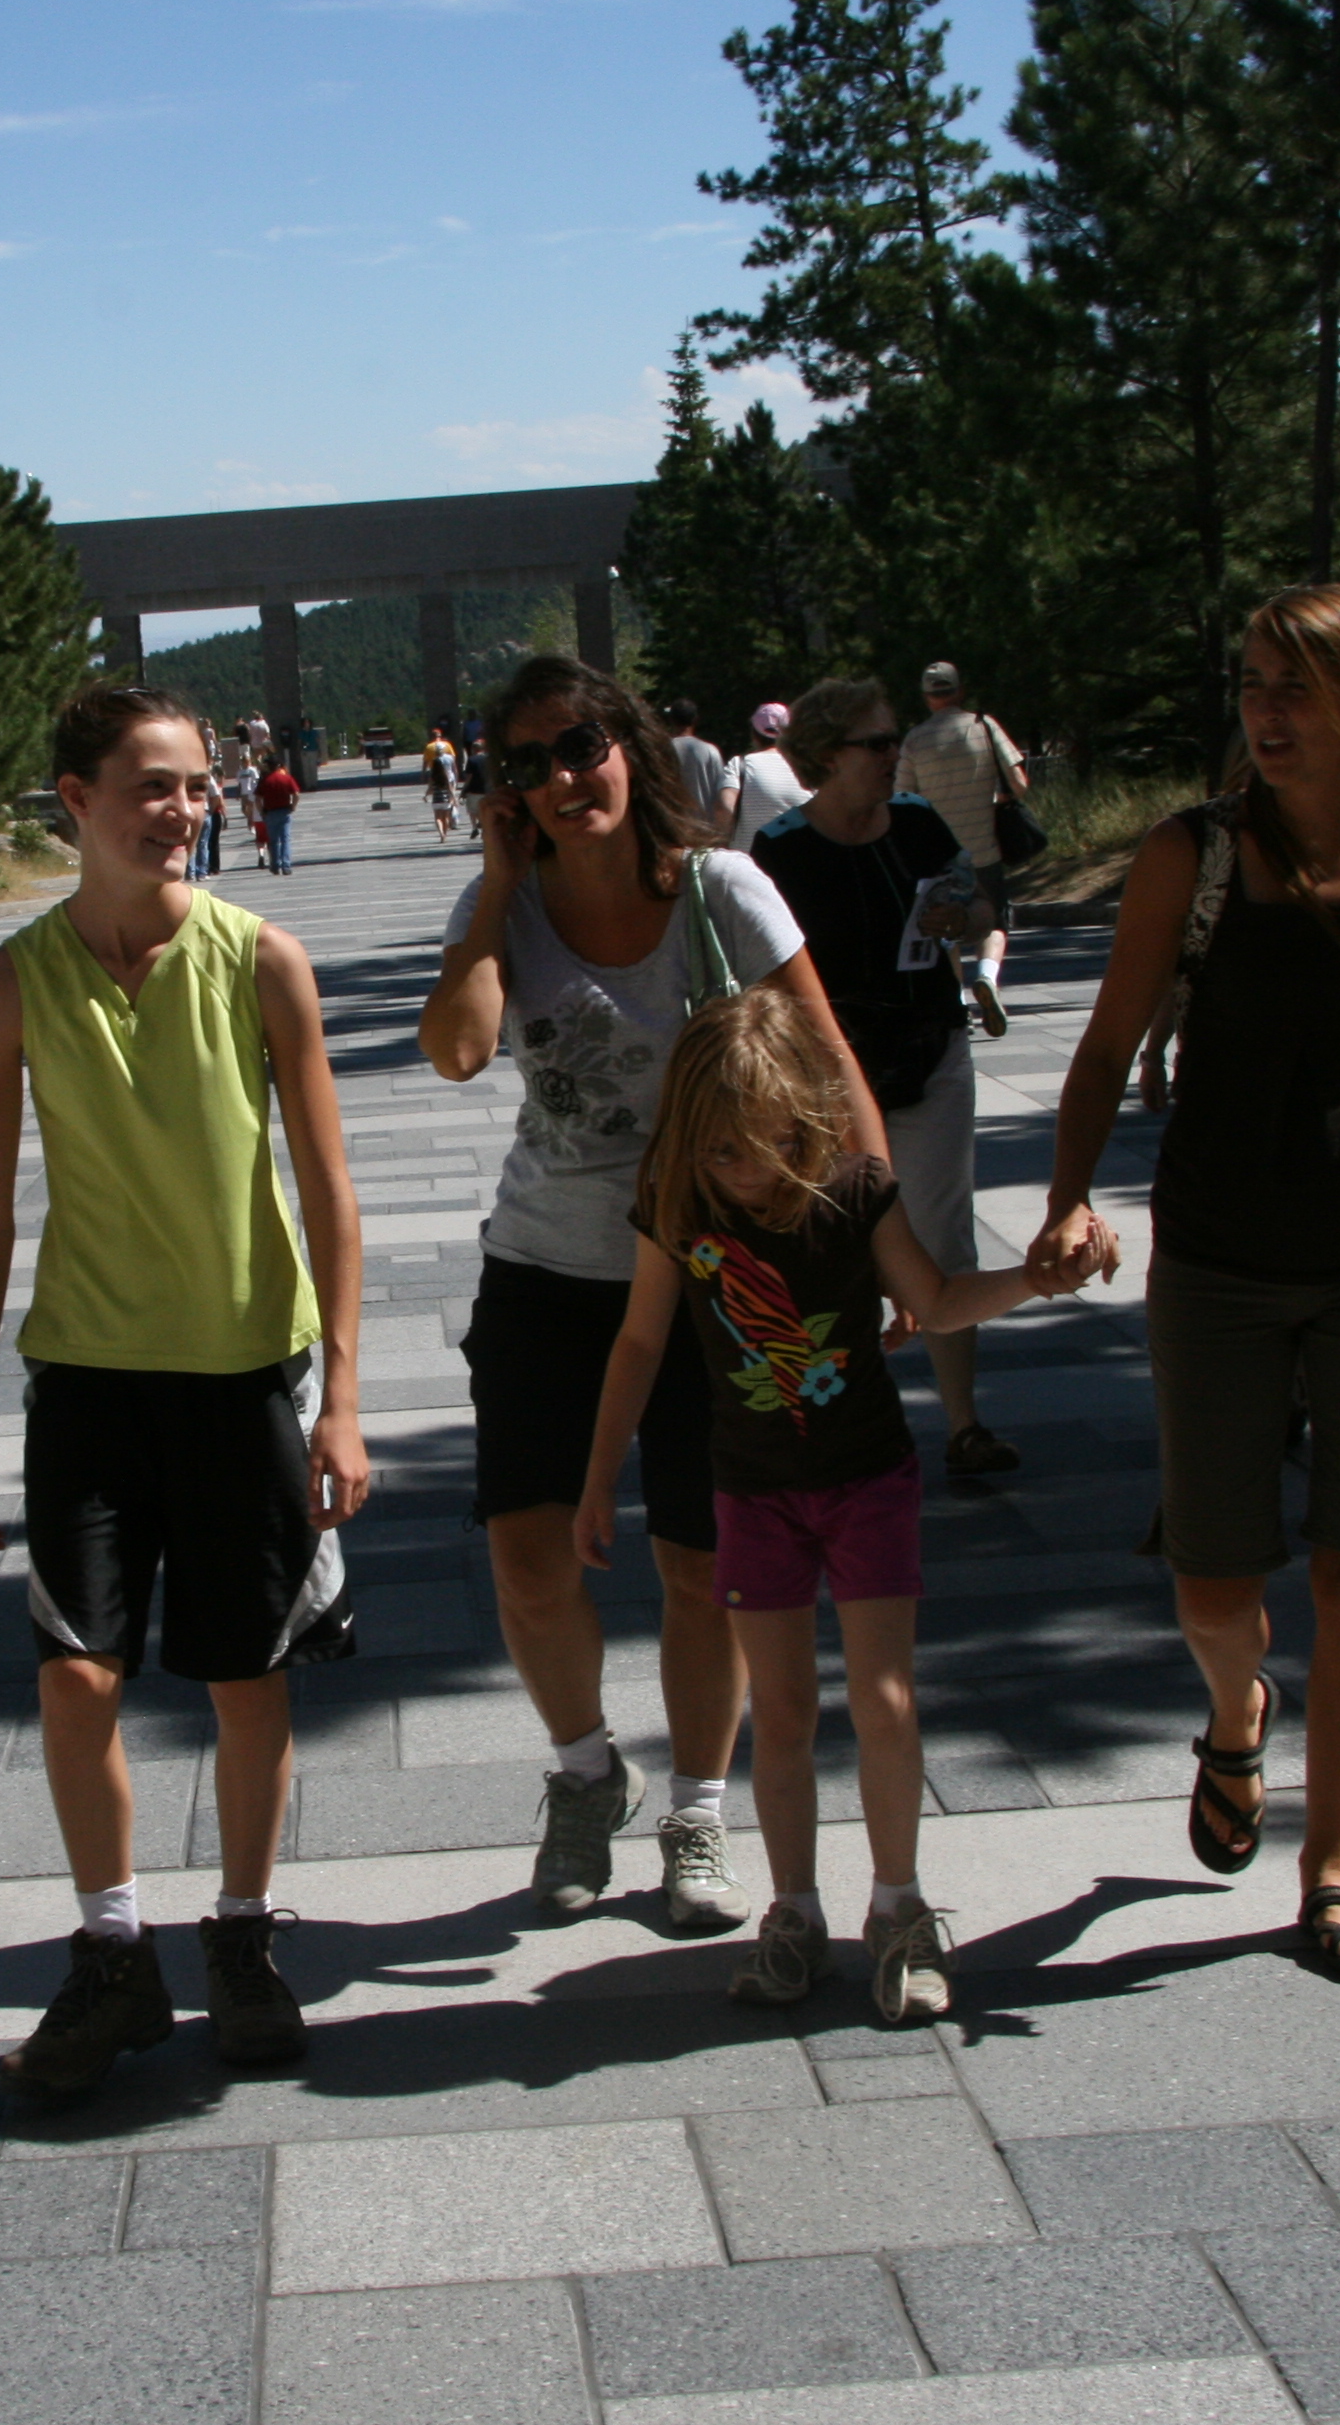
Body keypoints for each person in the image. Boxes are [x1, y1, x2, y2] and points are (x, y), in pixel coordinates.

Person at [1029, 583, 1340, 1986]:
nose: (1266, 713)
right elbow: (1106, 1046)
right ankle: (1238, 1714)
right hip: (1221, 1253)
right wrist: (1066, 1200)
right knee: (1211, 1584)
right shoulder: (1193, 854)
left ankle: (1331, 1863)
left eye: (1296, 688)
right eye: (1252, 684)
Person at [0, 684, 370, 2105]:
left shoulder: (261, 961)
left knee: (246, 1679)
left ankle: (242, 1936)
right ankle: (113, 1953)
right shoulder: (10, 985)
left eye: (196, 784)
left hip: (246, 1374)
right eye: (150, 785)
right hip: (87, 1378)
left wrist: (342, 1398)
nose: (182, 809)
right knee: (77, 1674)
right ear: (76, 800)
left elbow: (328, 1188)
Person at [419, 656, 884, 1933]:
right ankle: (585, 1775)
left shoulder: (720, 891)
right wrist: (497, 888)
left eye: (582, 746)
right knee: (528, 1559)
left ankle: (697, 1810)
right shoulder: (504, 905)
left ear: (629, 744)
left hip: (714, 1277)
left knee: (702, 1561)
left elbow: (828, 1062)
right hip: (547, 1268)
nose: (564, 779)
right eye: (530, 764)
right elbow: (457, 1049)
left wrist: (869, 1243)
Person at [578, 995, 1076, 2019]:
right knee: (784, 1711)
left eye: (761, 1147)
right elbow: (637, 1341)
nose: (740, 1172)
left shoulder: (855, 1192)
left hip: (866, 1480)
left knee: (885, 1699)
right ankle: (795, 1913)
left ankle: (898, 1908)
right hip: (751, 1490)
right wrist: (596, 1482)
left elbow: (936, 1302)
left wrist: (1033, 1280)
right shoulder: (679, 1201)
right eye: (718, 1150)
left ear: (802, 1121)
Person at [754, 677, 1020, 1480]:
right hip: (828, 1077)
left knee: (943, 1235)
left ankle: (965, 1425)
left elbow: (979, 908)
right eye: (875, 743)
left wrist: (961, 918)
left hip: (929, 1053)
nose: (891, 754)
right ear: (826, 755)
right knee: (833, 1247)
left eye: (892, 738)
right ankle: (841, 1429)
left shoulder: (916, 822)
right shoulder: (781, 849)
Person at [894, 660, 1031, 1040]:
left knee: (945, 928)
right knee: (995, 921)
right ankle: (987, 975)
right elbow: (1019, 783)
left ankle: (957, 1003)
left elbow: (902, 798)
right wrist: (994, 798)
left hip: (935, 852)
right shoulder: (984, 727)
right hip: (984, 847)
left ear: (926, 697)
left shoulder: (915, 740)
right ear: (959, 690)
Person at [656, 692, 739, 845]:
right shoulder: (710, 751)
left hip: (673, 833)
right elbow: (720, 795)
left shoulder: (662, 750)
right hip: (705, 833)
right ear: (695, 720)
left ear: (671, 720)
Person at [732, 700, 812, 836]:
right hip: (799, 847)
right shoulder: (808, 766)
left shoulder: (739, 764)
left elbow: (725, 807)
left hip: (749, 848)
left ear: (754, 735)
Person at [257, 755, 303, 875]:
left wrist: (261, 811)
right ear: (278, 766)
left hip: (270, 812)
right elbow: (296, 794)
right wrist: (293, 806)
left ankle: (275, 865)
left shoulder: (265, 781)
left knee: (273, 841)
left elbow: (257, 798)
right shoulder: (286, 778)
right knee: (285, 839)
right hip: (284, 811)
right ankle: (286, 865)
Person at [424, 731, 462, 843]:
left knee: (437, 817)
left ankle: (441, 834)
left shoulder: (429, 749)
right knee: (446, 816)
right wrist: (454, 797)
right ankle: (447, 831)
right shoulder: (449, 753)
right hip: (448, 784)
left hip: (437, 796)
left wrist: (426, 795)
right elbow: (454, 769)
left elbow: (430, 786)